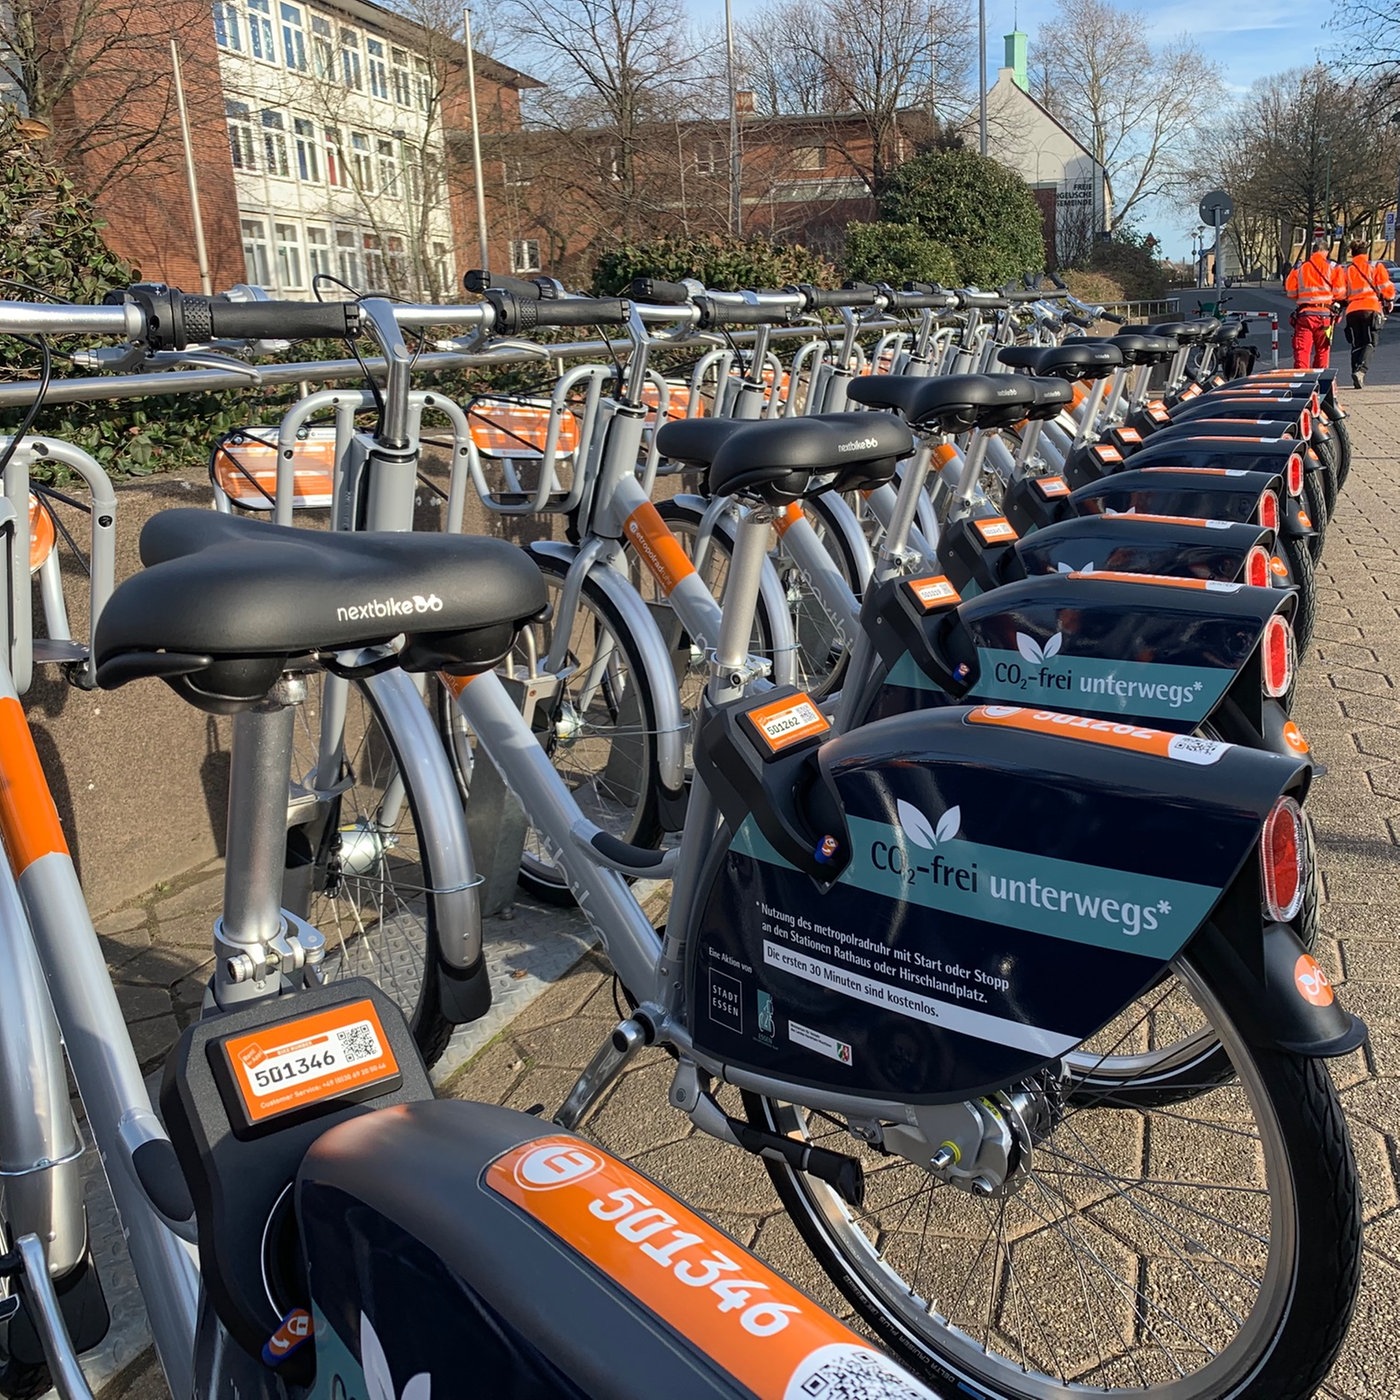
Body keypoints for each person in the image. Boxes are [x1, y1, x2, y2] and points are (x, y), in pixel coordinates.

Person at [1339, 239, 1394, 388]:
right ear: (1366, 253)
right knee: (1370, 342)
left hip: (1352, 310)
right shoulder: (1375, 266)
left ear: (1352, 253)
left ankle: (1355, 373)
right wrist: (1389, 300)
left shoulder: (1347, 270)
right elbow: (1386, 288)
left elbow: (1340, 292)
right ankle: (1361, 371)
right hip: (1371, 309)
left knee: (1356, 343)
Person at [1285, 237, 1344, 369]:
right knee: (1323, 350)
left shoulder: (1300, 268)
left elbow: (1290, 292)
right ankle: (1322, 381)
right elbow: (1340, 292)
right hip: (1325, 316)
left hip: (1305, 315)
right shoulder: (1334, 268)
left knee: (1302, 350)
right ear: (1326, 252)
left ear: (1313, 252)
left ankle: (1301, 382)